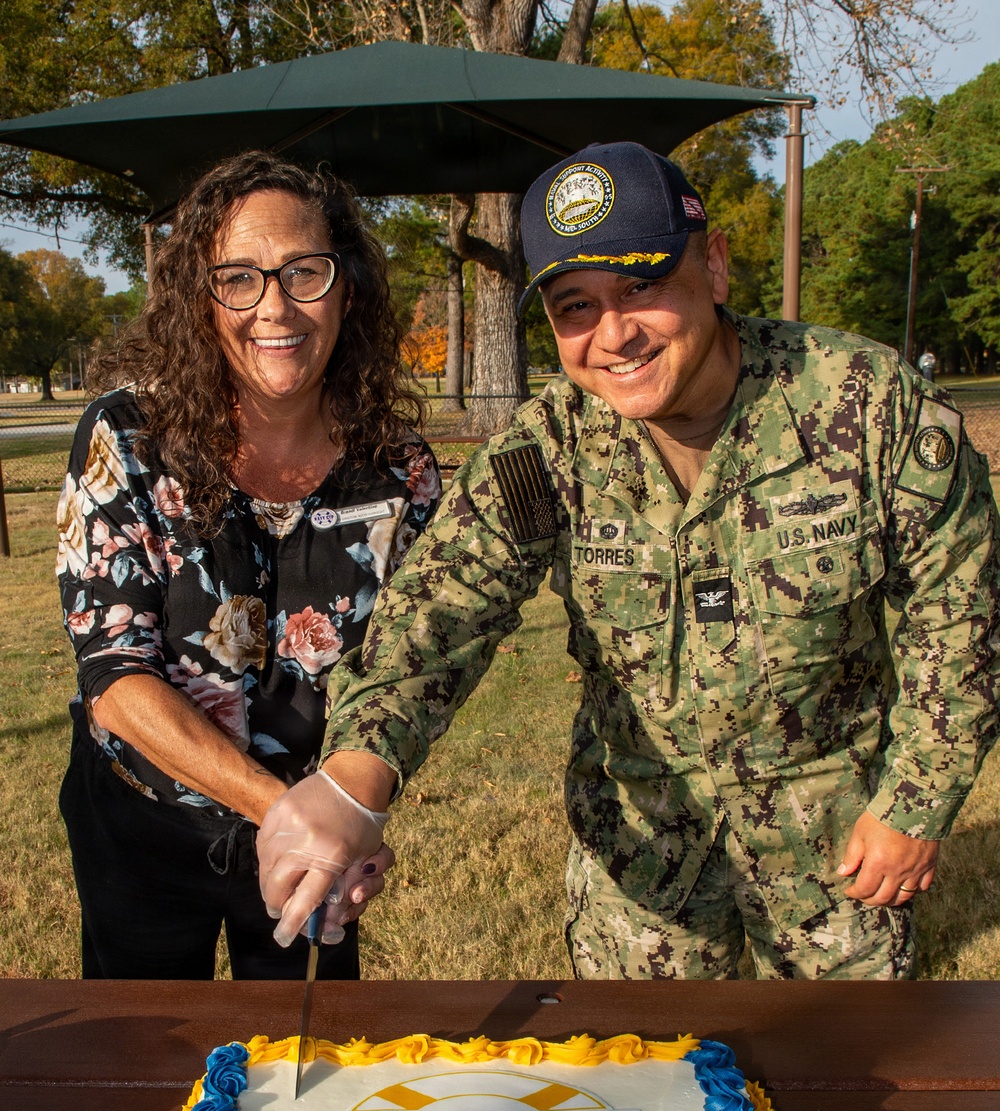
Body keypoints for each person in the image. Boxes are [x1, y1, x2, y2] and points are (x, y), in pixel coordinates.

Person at [257, 141, 1000, 981]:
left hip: (836, 851)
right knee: (643, 1095)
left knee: (842, 1094)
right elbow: (440, 611)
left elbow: (963, 611)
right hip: (643, 866)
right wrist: (355, 781)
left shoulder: (865, 406)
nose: (614, 335)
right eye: (576, 305)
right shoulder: (553, 449)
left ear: (713, 266)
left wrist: (916, 803)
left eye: (642, 286)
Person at [56, 151, 440, 979]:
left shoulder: (398, 469)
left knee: (308, 1073)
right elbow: (115, 675)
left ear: (347, 288)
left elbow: (411, 668)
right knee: (154, 1068)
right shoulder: (127, 438)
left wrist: (355, 806)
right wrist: (297, 817)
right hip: (144, 827)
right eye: (239, 278)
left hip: (316, 850)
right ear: (201, 300)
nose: (276, 307)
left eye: (304, 272)